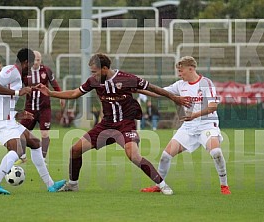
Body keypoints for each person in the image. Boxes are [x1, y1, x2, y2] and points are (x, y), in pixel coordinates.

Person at [36, 53, 191, 194]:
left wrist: (174, 98)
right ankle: (73, 184)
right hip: (105, 126)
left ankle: (162, 185)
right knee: (75, 150)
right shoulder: (93, 82)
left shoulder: (127, 79)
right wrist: (50, 93)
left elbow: (153, 88)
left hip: (125, 125)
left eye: (95, 71)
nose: (93, 75)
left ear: (105, 68)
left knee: (134, 156)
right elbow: (75, 93)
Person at [140, 56, 231, 195]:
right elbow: (157, 93)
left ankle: (224, 186)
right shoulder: (179, 85)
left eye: (181, 71)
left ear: (191, 69)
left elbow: (213, 106)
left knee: (216, 153)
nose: (179, 74)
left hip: (206, 126)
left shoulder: (206, 83)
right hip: (188, 128)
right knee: (165, 156)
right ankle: (158, 186)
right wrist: (137, 89)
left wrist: (194, 115)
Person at [0, 48, 66, 195]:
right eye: (31, 63)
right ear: (26, 62)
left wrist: (19, 113)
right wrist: (17, 92)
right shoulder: (11, 70)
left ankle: (50, 185)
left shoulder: (18, 75)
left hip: (7, 118)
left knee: (35, 143)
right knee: (17, 149)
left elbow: (5, 101)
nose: (32, 67)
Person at [15, 51, 65, 165]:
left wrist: (61, 97)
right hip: (30, 108)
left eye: (39, 59)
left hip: (44, 109)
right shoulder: (24, 72)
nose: (37, 62)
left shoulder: (46, 70)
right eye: (35, 59)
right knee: (21, 132)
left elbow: (55, 84)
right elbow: (17, 85)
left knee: (44, 134)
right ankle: (22, 156)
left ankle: (42, 158)